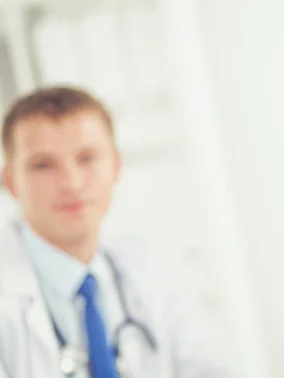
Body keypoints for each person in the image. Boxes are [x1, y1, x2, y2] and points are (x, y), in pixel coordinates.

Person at [0, 87, 231, 377]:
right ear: (10, 182)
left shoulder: (152, 271)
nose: (71, 182)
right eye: (43, 165)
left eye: (87, 158)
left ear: (116, 166)